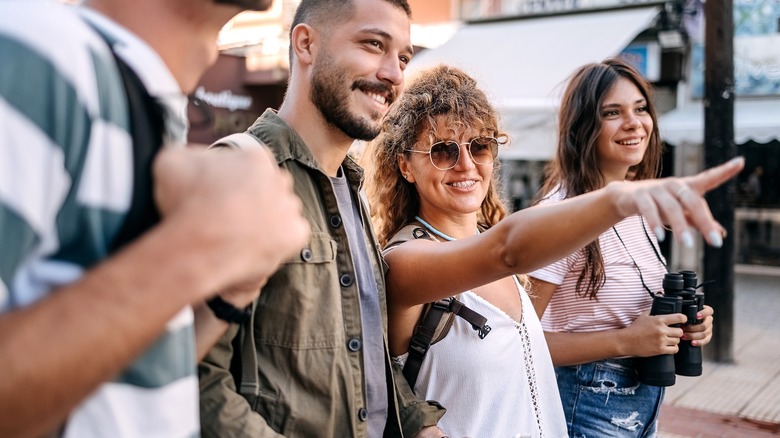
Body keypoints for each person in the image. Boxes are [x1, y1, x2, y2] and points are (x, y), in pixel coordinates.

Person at [363, 63, 743, 438]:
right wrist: (620, 197)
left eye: (479, 146)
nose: (466, 164)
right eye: (443, 151)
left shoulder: (491, 240)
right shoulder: (406, 260)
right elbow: (506, 250)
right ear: (405, 166)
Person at [0, 0, 310, 437]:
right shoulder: (39, 48)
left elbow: (116, 383)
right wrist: (197, 248)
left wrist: (228, 294)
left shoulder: (144, 97)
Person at [197, 0, 447, 437]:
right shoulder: (241, 172)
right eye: (373, 44)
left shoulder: (354, 193)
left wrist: (416, 422)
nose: (394, 74)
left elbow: (363, 352)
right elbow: (198, 377)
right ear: (306, 44)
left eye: (404, 57)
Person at [527, 57, 718, 437]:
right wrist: (626, 340)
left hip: (643, 405)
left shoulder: (637, 208)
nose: (634, 123)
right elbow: (518, 342)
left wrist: (685, 327)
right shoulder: (560, 215)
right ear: (584, 128)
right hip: (585, 406)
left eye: (641, 109)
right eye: (613, 112)